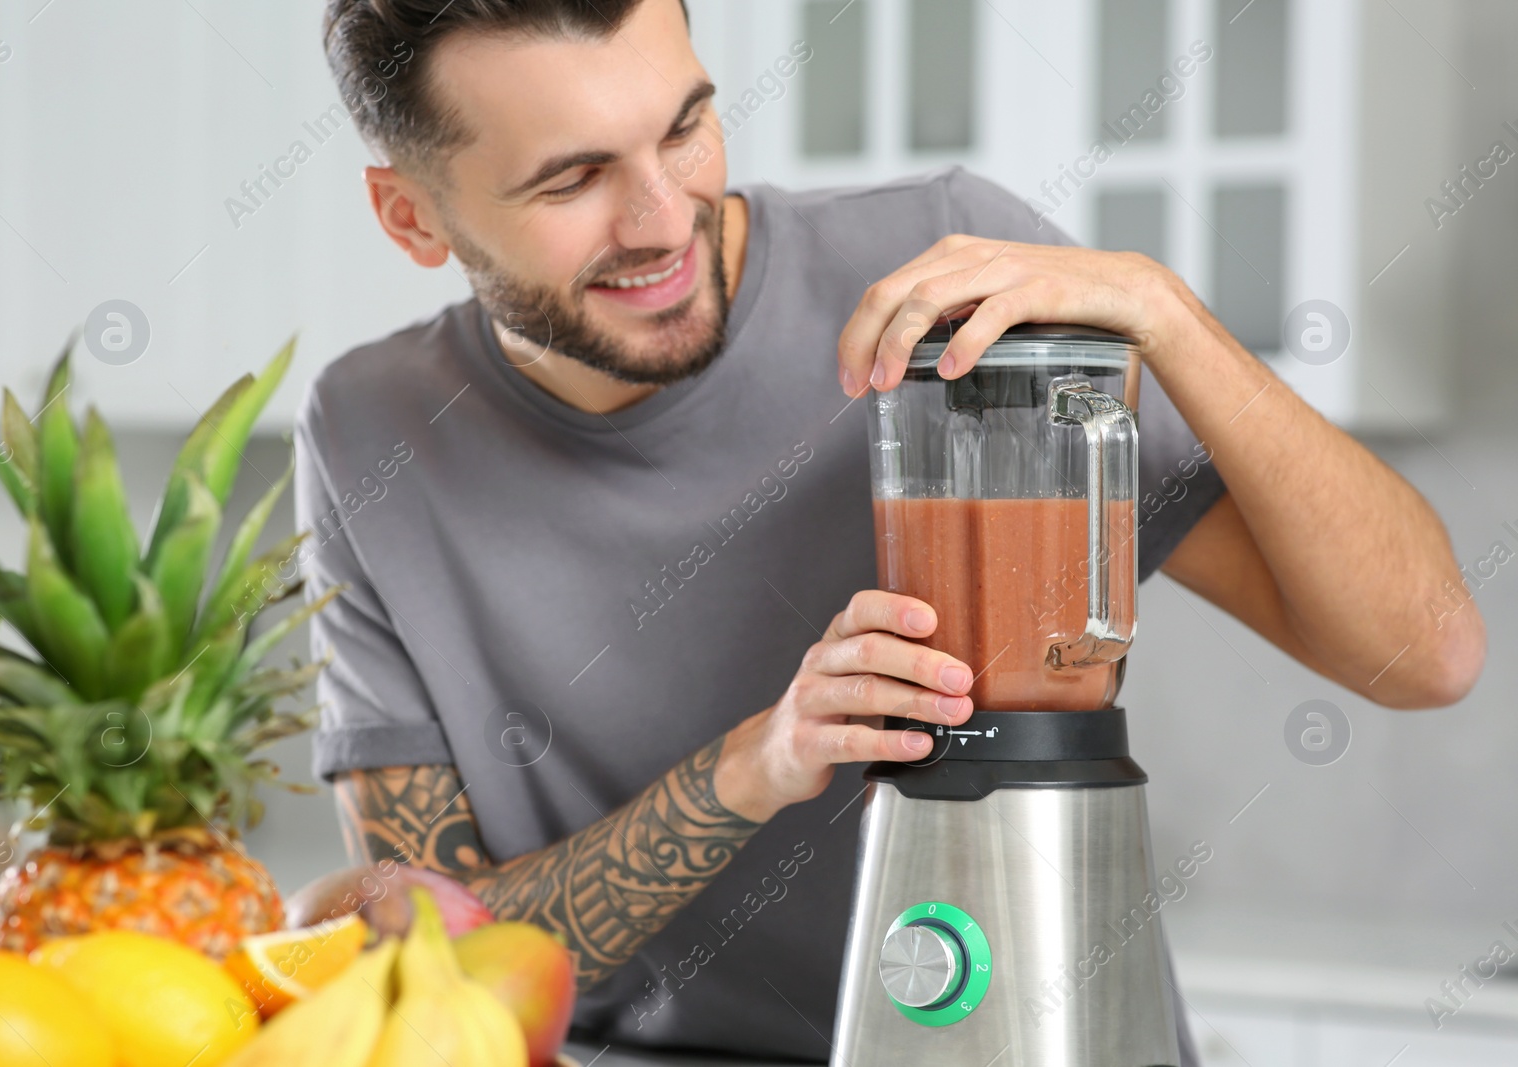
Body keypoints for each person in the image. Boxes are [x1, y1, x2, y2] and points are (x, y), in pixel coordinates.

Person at [297, 1, 1486, 1062]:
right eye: (571, 181)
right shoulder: (370, 434)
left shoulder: (943, 280)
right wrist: (754, 767)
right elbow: (432, 964)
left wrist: (1162, 311)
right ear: (412, 215)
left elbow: (1424, 652)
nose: (663, 219)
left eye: (685, 127)